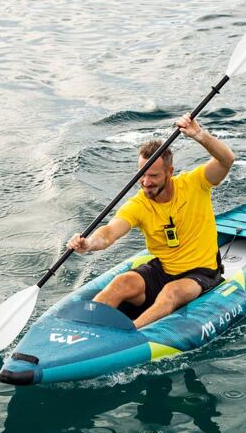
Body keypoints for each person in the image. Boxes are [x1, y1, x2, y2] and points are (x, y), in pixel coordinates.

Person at [68, 113, 235, 329]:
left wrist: (200, 135)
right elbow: (109, 233)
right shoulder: (139, 204)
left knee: (171, 292)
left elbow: (226, 160)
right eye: (142, 174)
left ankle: (130, 335)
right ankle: (83, 329)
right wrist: (88, 243)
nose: (146, 182)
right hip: (163, 270)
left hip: (201, 272)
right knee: (121, 282)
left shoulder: (195, 183)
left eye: (154, 176)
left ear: (169, 172)